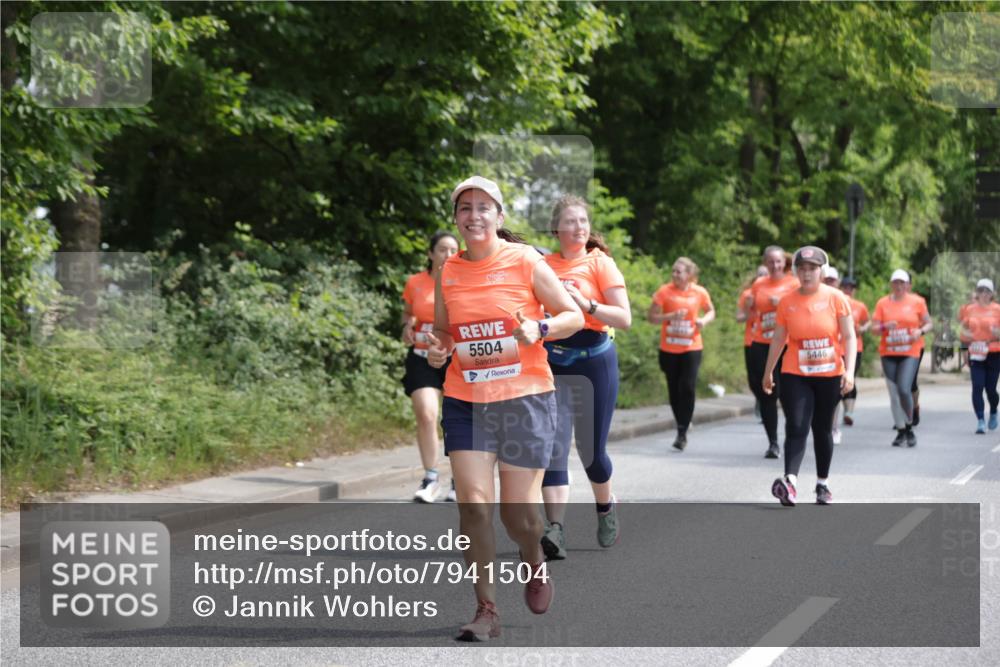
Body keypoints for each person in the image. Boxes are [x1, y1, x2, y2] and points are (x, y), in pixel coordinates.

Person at [426, 176, 584, 641]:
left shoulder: (525, 260)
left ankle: (534, 562)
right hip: (466, 400)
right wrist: (439, 349)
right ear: (455, 218)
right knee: (474, 505)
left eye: (482, 207)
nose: (473, 216)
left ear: (500, 216)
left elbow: (573, 316)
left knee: (520, 518)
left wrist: (540, 328)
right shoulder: (449, 271)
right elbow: (445, 332)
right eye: (464, 208)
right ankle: (486, 609)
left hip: (524, 399)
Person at [538, 195, 631, 561]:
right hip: (554, 361)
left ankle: (605, 507)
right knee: (553, 447)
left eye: (583, 221)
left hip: (595, 362)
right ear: (556, 228)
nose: (579, 227)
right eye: (571, 221)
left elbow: (624, 318)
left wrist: (587, 305)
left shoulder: (600, 263)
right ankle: (555, 529)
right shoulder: (542, 264)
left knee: (591, 452)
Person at [763, 246, 856, 506]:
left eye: (812, 269)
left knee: (822, 429)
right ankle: (790, 482)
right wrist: (768, 371)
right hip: (796, 373)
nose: (806, 274)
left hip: (829, 374)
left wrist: (849, 372)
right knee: (797, 425)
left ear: (822, 271)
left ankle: (822, 484)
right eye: (802, 269)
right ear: (795, 272)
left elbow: (849, 337)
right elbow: (779, 338)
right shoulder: (787, 302)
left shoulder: (836, 298)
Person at [402, 231, 460, 503]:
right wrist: (407, 326)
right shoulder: (416, 282)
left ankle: (459, 480)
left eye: (453, 250)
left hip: (455, 358)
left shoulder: (463, 281)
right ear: (431, 254)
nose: (448, 255)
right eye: (442, 249)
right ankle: (431, 477)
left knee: (454, 419)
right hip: (422, 357)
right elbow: (409, 313)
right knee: (426, 414)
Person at [649, 257, 716, 451]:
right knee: (674, 388)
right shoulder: (664, 291)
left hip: (691, 347)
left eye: (679, 271)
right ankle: (682, 423)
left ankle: (682, 432)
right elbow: (651, 317)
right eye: (673, 271)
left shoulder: (699, 292)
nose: (675, 274)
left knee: (687, 386)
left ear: (689, 274)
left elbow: (711, 311)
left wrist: (704, 320)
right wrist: (669, 317)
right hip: (669, 348)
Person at [745, 246, 800, 458]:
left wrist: (783, 304)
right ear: (765, 263)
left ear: (784, 263)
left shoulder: (793, 283)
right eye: (770, 262)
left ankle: (792, 436)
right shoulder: (759, 284)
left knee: (787, 393)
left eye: (778, 262)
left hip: (787, 344)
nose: (775, 266)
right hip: (762, 342)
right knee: (767, 393)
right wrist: (750, 305)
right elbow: (751, 313)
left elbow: (801, 307)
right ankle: (773, 443)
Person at [871, 269, 932, 447]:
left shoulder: (917, 302)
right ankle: (901, 431)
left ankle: (910, 426)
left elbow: (929, 323)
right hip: (888, 353)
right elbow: (874, 329)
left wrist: (919, 331)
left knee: (904, 389)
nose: (898, 286)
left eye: (902, 283)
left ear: (907, 285)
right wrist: (884, 326)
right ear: (891, 285)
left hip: (910, 351)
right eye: (895, 283)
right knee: (893, 394)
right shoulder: (883, 303)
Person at [959, 278, 1000, 433]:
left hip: (994, 353)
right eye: (981, 290)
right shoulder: (969, 309)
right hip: (975, 353)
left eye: (987, 291)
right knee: (977, 386)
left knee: (991, 389)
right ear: (977, 293)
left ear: (992, 294)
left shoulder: (998, 309)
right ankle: (981, 420)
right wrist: (963, 351)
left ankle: (994, 411)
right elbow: (963, 332)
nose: (983, 294)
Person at [738, 266, 769, 422]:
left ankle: (766, 405)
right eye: (759, 274)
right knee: (753, 379)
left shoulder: (775, 293)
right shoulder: (747, 294)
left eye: (765, 274)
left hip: (770, 341)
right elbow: (739, 318)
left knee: (768, 374)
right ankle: (760, 398)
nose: (762, 277)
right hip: (751, 340)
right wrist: (748, 306)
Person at [839, 276, 871, 426]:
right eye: (845, 287)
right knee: (839, 379)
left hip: (855, 347)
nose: (848, 290)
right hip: (838, 348)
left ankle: (849, 411)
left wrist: (863, 329)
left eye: (851, 288)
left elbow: (867, 321)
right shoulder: (836, 302)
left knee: (850, 377)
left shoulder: (859, 306)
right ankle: (843, 409)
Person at [821, 266, 845, 445]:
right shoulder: (815, 298)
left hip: (839, 354)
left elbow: (852, 332)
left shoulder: (843, 300)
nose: (829, 282)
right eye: (826, 279)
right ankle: (822, 426)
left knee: (834, 396)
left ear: (837, 282)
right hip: (817, 356)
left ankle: (833, 427)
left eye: (832, 280)